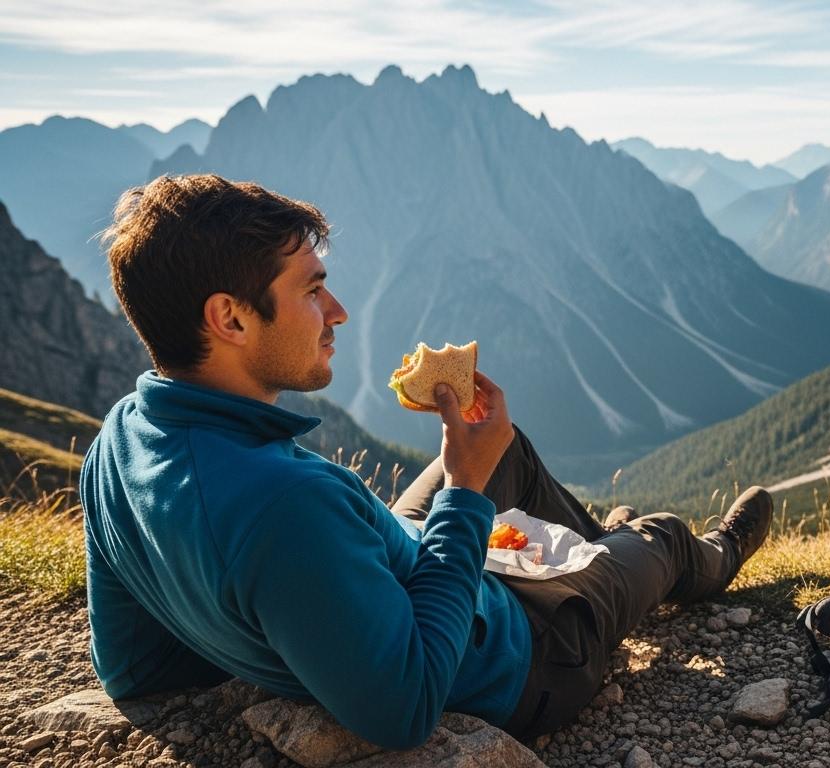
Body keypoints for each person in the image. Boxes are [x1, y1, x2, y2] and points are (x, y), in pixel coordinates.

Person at [81, 173, 773, 749]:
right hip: (524, 657)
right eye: (312, 290)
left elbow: (133, 668)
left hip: (396, 568)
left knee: (508, 447)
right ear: (230, 318)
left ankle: (597, 559)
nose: (338, 311)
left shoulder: (119, 442)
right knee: (661, 537)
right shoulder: (282, 504)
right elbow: (403, 710)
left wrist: (294, 624)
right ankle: (687, 564)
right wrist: (466, 493)